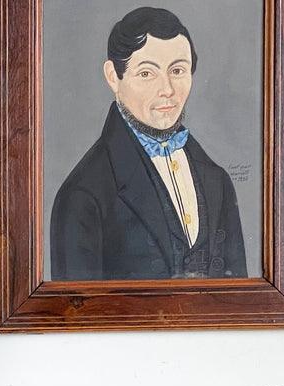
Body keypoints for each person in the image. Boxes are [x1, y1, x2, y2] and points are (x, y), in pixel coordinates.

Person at [50, 7, 247, 281]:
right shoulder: (83, 195)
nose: (167, 89)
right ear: (113, 77)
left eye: (177, 70)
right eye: (146, 73)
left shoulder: (219, 181)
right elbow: (78, 317)